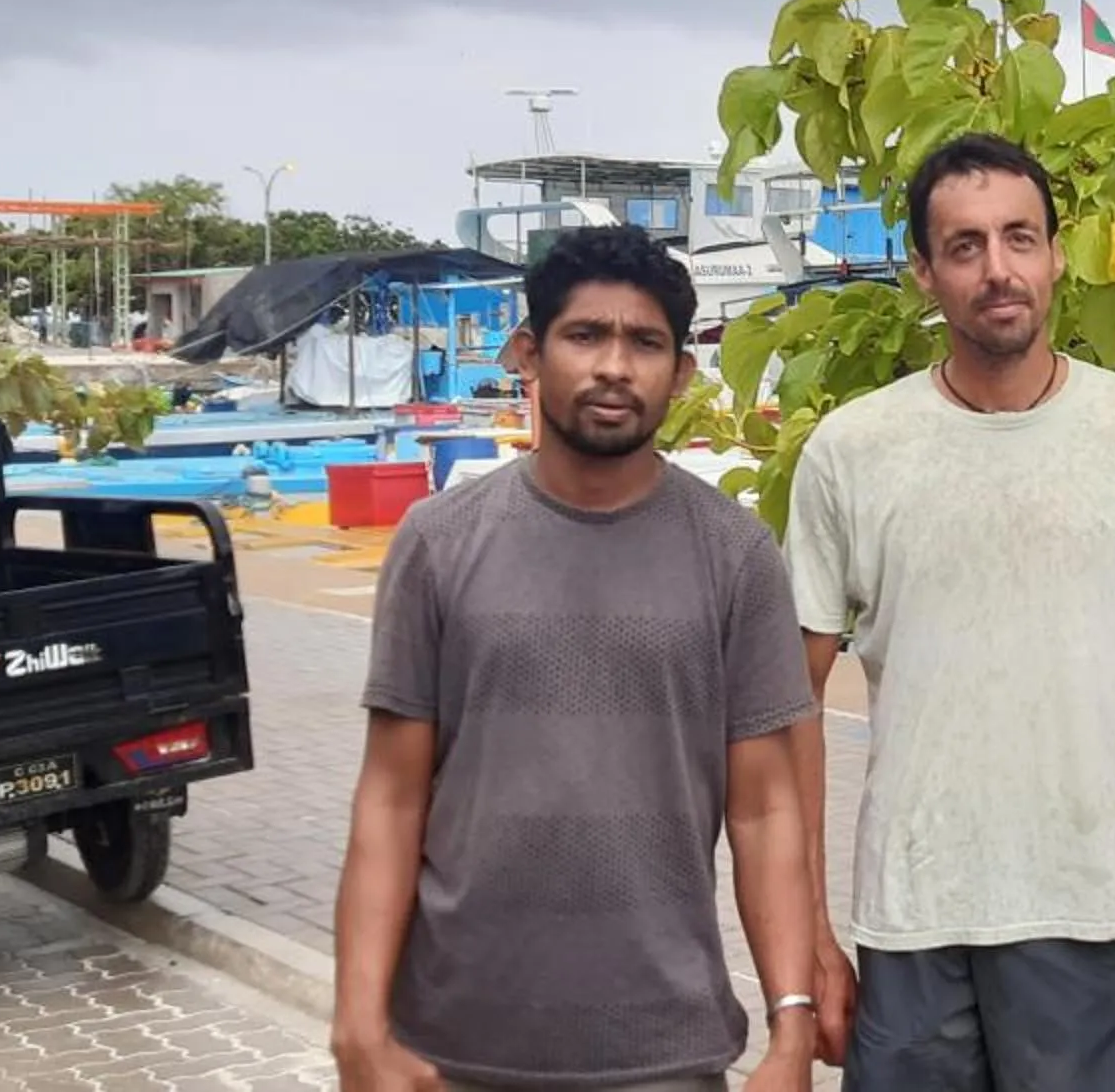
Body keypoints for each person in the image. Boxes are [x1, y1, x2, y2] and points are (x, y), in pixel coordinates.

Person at [331, 224, 823, 1092]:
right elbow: (392, 795)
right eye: (585, 335)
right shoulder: (439, 543)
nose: (613, 367)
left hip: (664, 1051)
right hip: (451, 1049)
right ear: (529, 351)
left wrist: (791, 1027)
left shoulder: (735, 555)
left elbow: (765, 811)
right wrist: (358, 1026)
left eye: (644, 343)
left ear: (680, 374)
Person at [784, 132, 1115, 1092]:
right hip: (913, 914)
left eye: (1021, 238)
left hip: (1097, 910)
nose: (998, 270)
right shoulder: (852, 450)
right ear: (923, 272)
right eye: (966, 245)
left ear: (1058, 255)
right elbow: (789, 710)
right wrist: (809, 935)